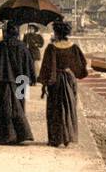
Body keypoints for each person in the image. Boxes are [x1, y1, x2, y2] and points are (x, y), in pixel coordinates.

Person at [0, 19, 35, 145]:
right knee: (19, 106)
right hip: (20, 82)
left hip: (0, 82)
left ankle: (0, 136)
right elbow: (28, 67)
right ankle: (18, 135)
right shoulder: (23, 48)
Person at [38, 19, 88, 147]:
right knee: (69, 107)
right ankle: (67, 137)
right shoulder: (74, 47)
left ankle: (55, 138)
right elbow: (81, 66)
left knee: (55, 109)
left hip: (55, 80)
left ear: (56, 32)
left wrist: (44, 84)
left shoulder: (51, 48)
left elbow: (46, 67)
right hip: (69, 79)